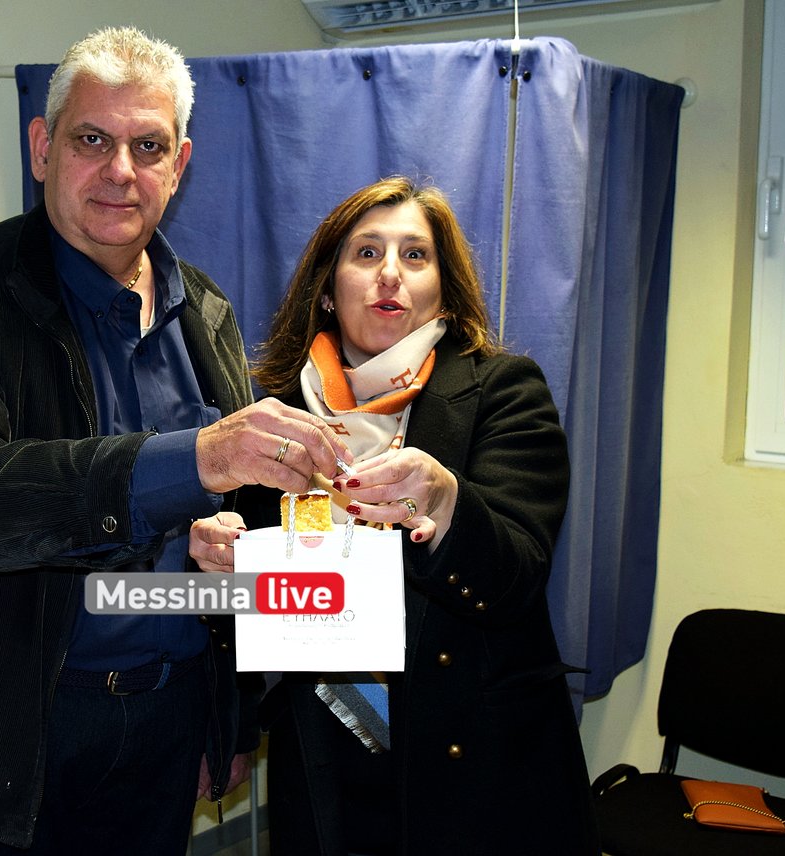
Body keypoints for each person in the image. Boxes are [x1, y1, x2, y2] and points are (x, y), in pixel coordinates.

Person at [0, 26, 350, 856]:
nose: (121, 170)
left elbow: (207, 539)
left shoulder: (205, 310)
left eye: (148, 146)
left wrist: (221, 707)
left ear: (179, 166)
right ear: (42, 148)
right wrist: (197, 460)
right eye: (92, 140)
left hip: (163, 727)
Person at [189, 176, 600, 854]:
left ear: (443, 289)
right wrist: (218, 565)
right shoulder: (273, 415)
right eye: (366, 252)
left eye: (415, 255)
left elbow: (518, 575)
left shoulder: (504, 391)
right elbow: (253, 607)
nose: (389, 273)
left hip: (473, 761)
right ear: (328, 289)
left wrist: (445, 500)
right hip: (324, 745)